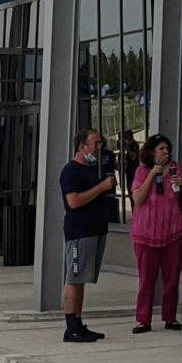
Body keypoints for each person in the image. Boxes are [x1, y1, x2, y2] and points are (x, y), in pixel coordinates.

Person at [59, 127, 115, 342]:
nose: (99, 148)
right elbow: (73, 201)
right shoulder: (71, 171)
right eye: (95, 144)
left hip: (96, 229)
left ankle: (78, 322)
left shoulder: (93, 169)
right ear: (82, 147)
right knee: (74, 277)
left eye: (101, 143)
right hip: (80, 232)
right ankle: (70, 328)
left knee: (81, 278)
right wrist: (101, 187)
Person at [129, 134, 182, 333]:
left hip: (172, 231)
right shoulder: (142, 171)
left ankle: (170, 317)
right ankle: (143, 319)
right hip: (146, 233)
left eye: (167, 149)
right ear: (152, 151)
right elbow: (138, 198)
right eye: (161, 148)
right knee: (147, 278)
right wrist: (152, 175)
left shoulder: (175, 168)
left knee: (172, 277)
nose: (165, 152)